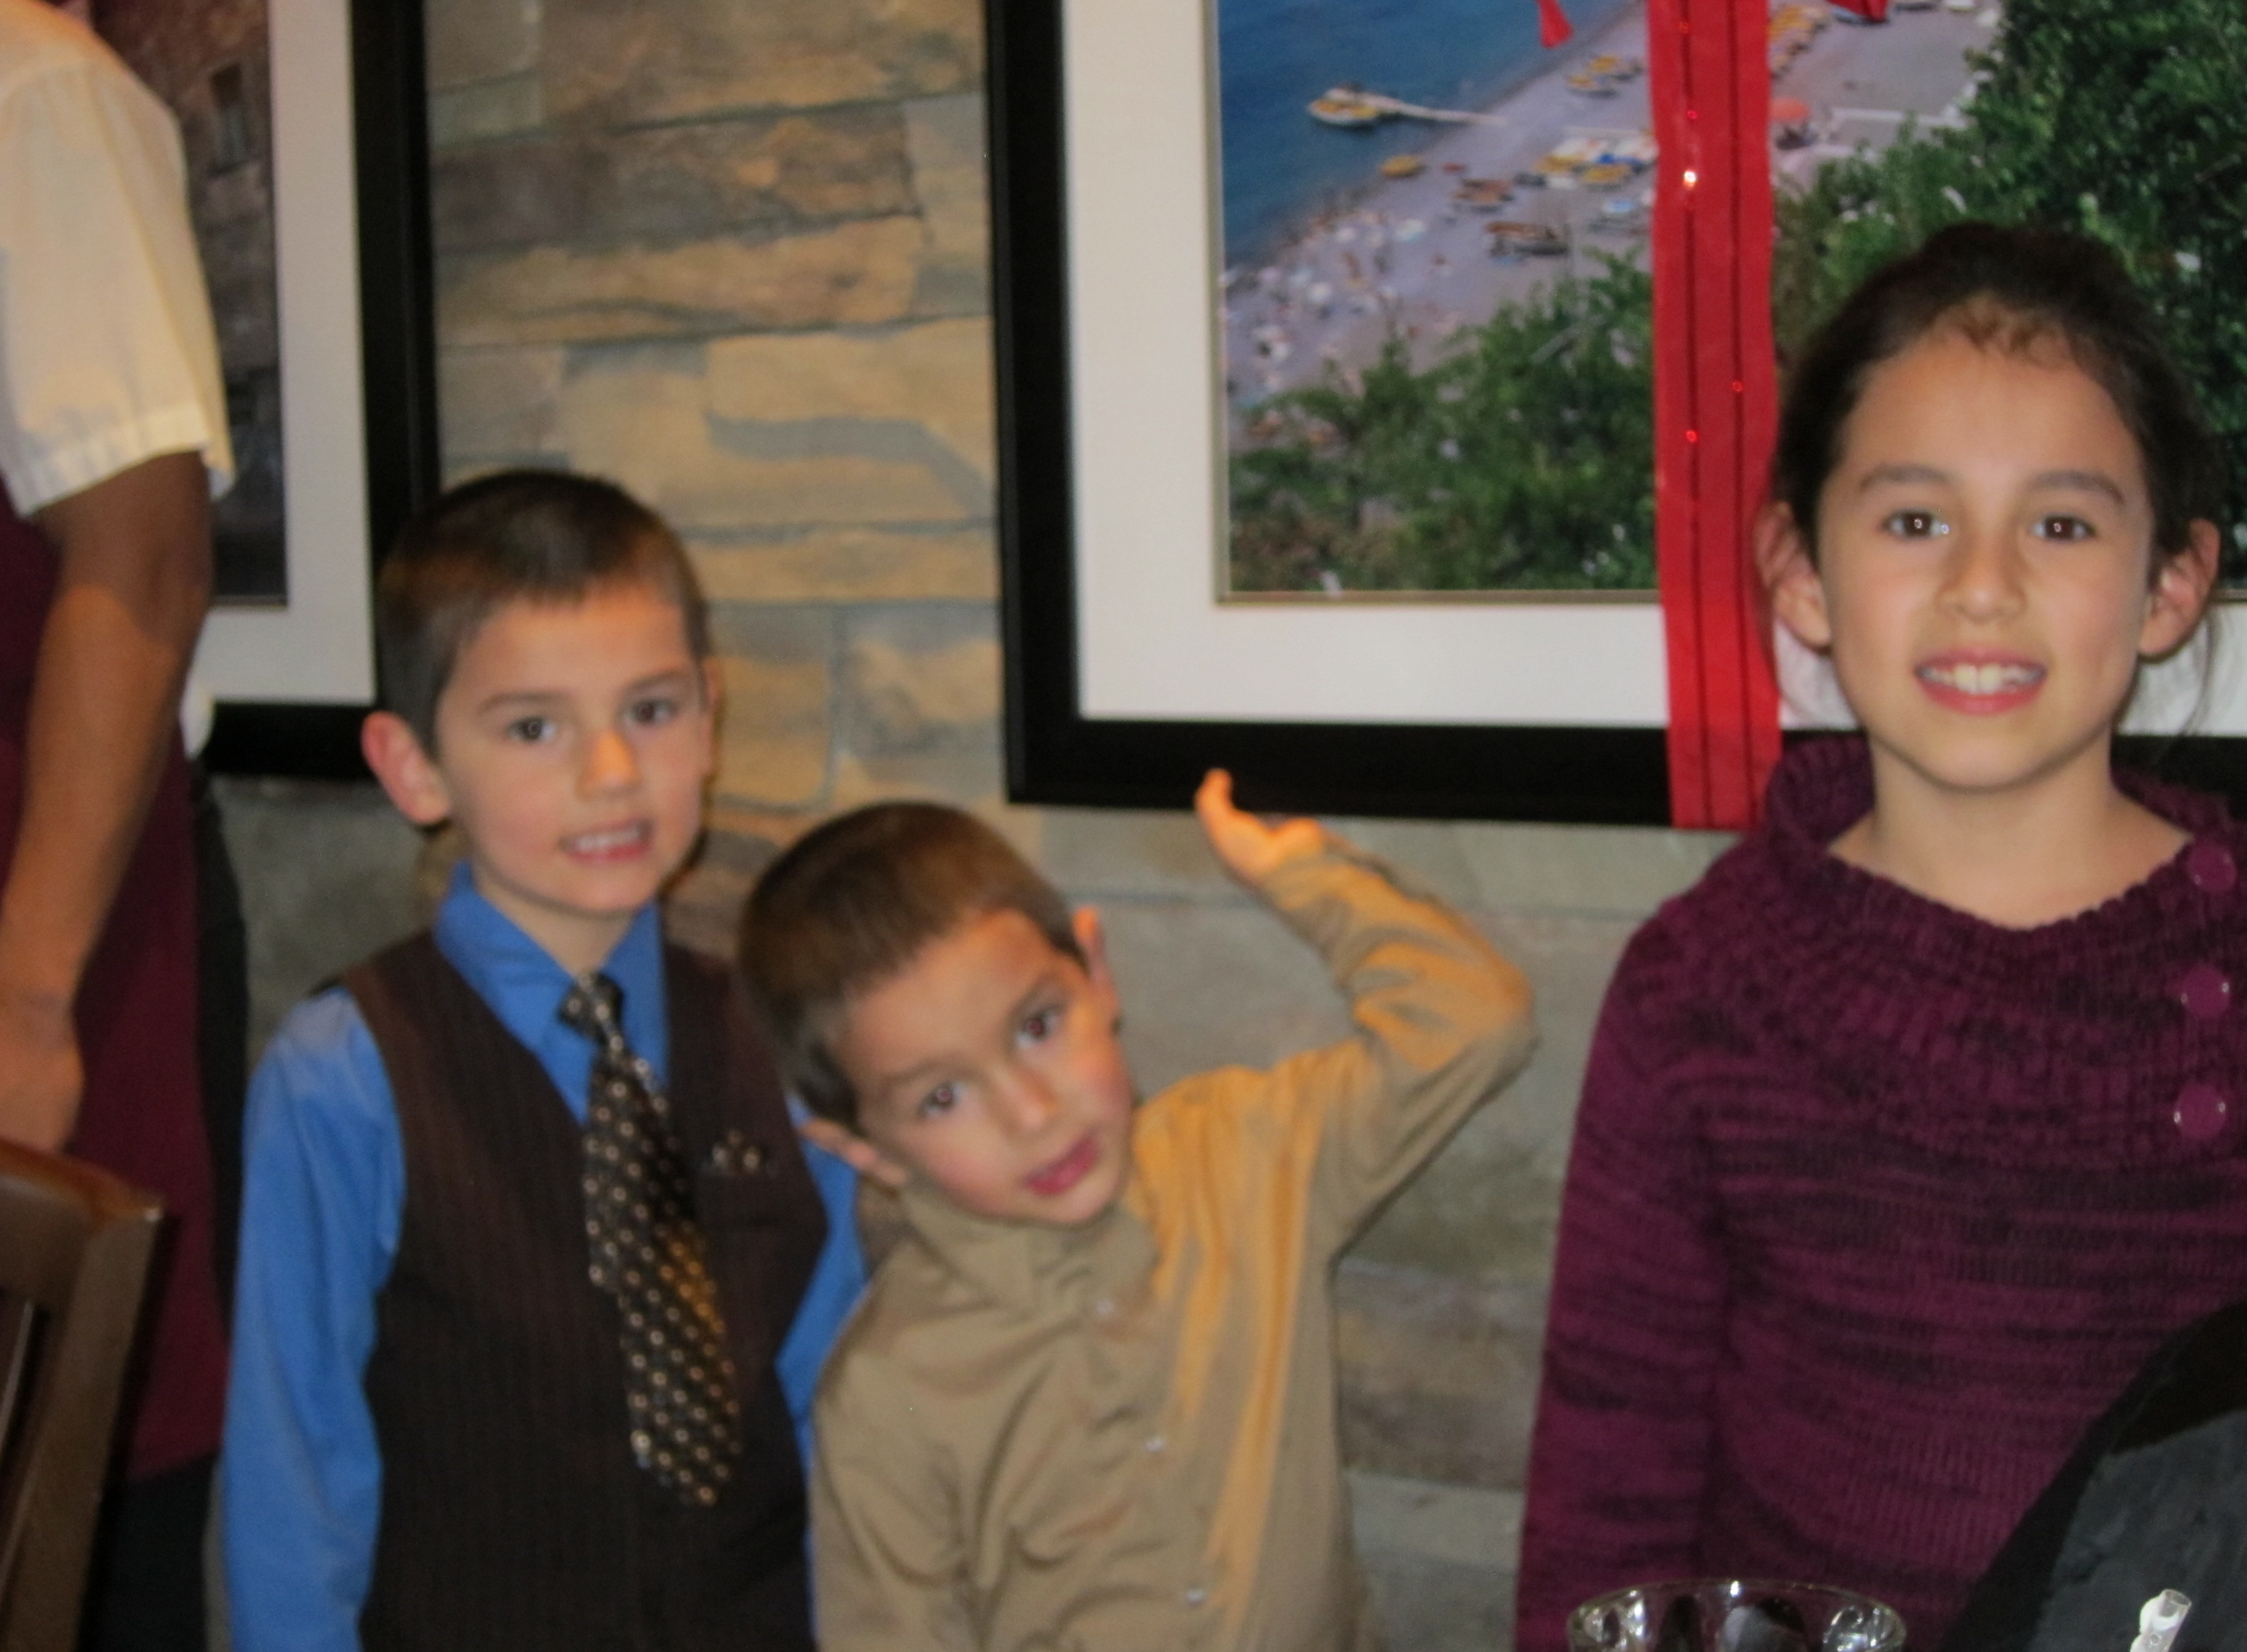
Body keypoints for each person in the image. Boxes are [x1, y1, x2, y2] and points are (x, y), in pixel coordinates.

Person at [1515, 222, 2246, 1651]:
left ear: (2169, 584)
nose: (1984, 583)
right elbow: (1605, 1513)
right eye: (1915, 521)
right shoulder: (1697, 993)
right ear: (1801, 570)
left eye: (2062, 524)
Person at [222, 471, 865, 1652]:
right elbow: (295, 1479)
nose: (611, 771)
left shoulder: (780, 1041)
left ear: (710, 718)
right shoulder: (343, 1078)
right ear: (415, 768)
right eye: (534, 727)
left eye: (652, 709)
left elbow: (844, 1415)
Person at [739, 771, 1537, 1651]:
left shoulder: (1245, 1155)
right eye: (942, 1098)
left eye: (1038, 1026)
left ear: (1097, 975)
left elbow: (1474, 1023)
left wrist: (1300, 873)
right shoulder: (889, 1390)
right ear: (867, 1151)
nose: (1033, 1114)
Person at [0, 0, 234, 1648]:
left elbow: (141, 559)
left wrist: (26, 1002)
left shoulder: (27, 97)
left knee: (61, 1496)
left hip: (47, 940)